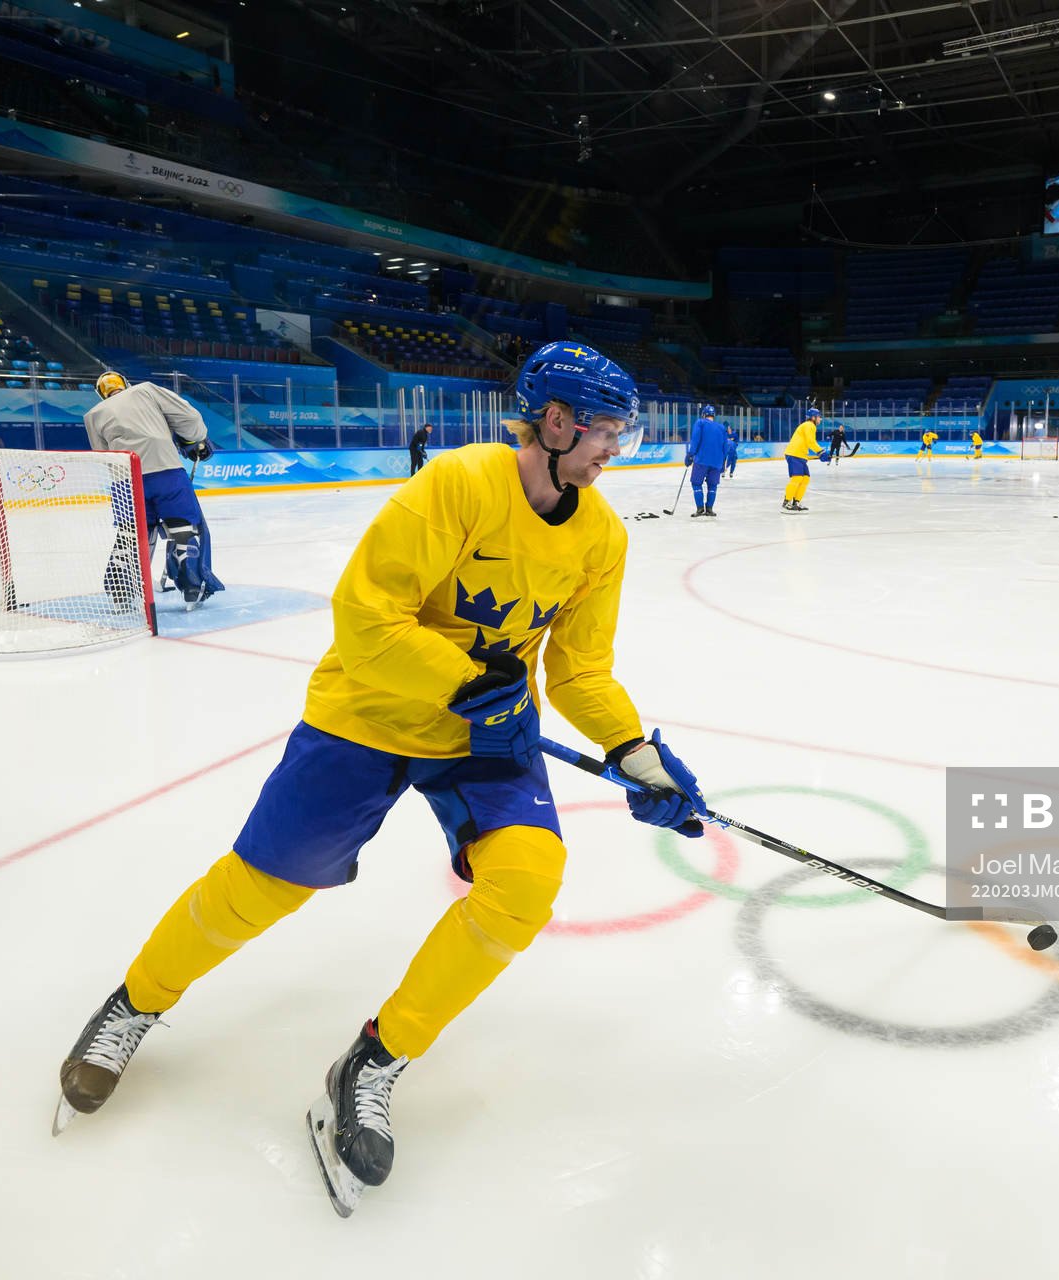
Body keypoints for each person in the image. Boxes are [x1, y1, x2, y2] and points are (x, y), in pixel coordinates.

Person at [53, 341, 709, 1217]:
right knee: (263, 887)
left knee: (527, 884)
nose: (613, 449)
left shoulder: (601, 536)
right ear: (555, 422)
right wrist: (465, 684)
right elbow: (364, 617)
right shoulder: (459, 485)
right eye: (605, 433)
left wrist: (634, 752)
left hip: (489, 736)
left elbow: (580, 670)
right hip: (368, 713)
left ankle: (375, 1059)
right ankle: (135, 1005)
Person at [84, 371, 223, 608]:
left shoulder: (93, 415)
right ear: (126, 383)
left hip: (126, 480)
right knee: (182, 529)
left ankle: (122, 594)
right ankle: (192, 587)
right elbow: (189, 417)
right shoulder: (145, 389)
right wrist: (193, 440)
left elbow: (103, 455)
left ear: (101, 394)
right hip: (165, 471)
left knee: (131, 535)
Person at [685, 403, 728, 516]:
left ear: (704, 414)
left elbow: (695, 440)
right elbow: (725, 447)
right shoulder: (722, 427)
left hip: (702, 460)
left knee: (696, 483)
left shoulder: (700, 422)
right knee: (712, 486)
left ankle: (700, 509)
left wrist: (690, 454)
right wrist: (723, 463)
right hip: (717, 462)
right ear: (714, 415)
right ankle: (709, 509)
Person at [783, 408, 822, 511]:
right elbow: (811, 442)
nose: (820, 419)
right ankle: (786, 502)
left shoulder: (808, 426)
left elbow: (808, 442)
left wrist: (820, 452)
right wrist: (821, 452)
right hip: (794, 454)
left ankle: (796, 502)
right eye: (819, 417)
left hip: (800, 455)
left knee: (805, 478)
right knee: (797, 478)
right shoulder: (809, 425)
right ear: (813, 417)